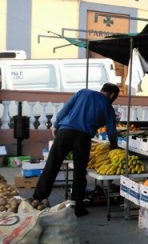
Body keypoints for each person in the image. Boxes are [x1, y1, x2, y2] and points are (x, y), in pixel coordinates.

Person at [33, 83, 121, 216]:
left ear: (102, 89)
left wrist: (56, 125)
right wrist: (114, 146)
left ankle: (38, 198)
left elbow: (65, 110)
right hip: (83, 138)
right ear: (113, 95)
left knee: (52, 166)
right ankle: (78, 207)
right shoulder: (108, 107)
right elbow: (112, 131)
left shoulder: (83, 92)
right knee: (79, 172)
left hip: (65, 132)